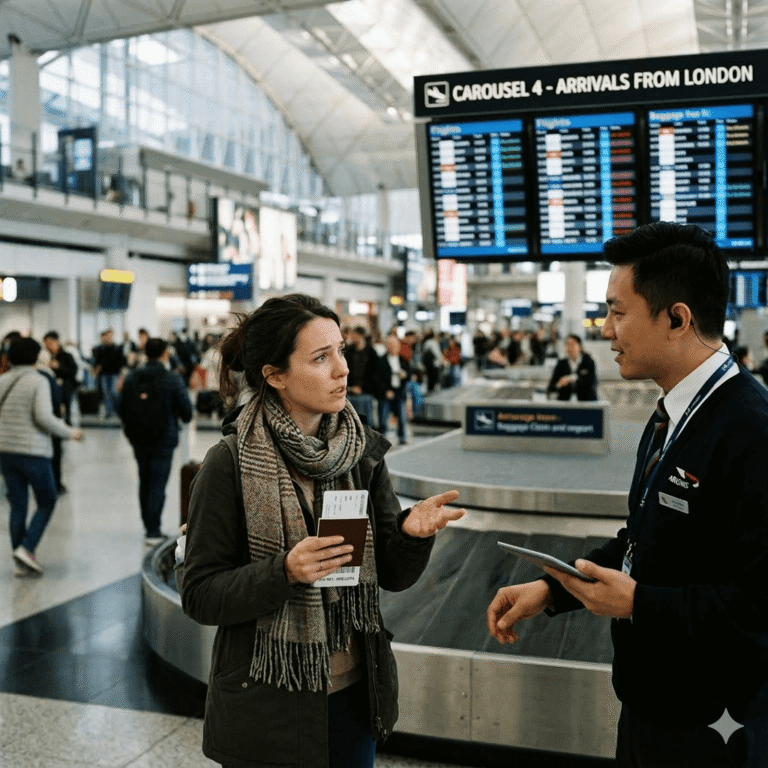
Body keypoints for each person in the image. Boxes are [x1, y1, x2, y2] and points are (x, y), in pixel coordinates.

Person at [487, 221, 768, 767]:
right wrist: (555, 588)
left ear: (677, 319)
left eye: (618, 312)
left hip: (714, 733)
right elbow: (644, 538)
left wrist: (640, 604)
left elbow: (758, 608)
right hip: (651, 714)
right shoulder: (670, 416)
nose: (606, 329)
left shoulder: (750, 433)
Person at [179, 294, 465, 768]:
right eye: (320, 357)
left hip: (354, 695)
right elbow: (200, 593)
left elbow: (390, 574)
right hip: (268, 700)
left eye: (340, 351)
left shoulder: (361, 452)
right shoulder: (229, 464)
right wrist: (285, 571)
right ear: (275, 375)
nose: (342, 370)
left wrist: (412, 535)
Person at [0, 337, 82, 575]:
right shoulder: (39, 381)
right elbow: (44, 417)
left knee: (18, 505)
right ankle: (26, 548)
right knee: (47, 500)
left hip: (5, 452)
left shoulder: (2, 380)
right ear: (35, 357)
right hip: (33, 451)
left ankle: (20, 558)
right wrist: (70, 432)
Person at [119, 337, 192, 544]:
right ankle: (153, 531)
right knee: (158, 484)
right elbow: (187, 411)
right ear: (164, 354)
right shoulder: (171, 378)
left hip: (138, 438)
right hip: (164, 438)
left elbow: (121, 406)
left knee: (144, 480)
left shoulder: (132, 377)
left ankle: (148, 526)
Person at [376, 334, 410, 445]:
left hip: (399, 391)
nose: (394, 347)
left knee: (401, 415)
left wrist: (405, 375)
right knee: (384, 416)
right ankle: (383, 438)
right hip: (387, 392)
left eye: (395, 345)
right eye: (391, 345)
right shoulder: (381, 361)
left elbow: (410, 373)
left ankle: (402, 436)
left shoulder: (402, 360)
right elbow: (377, 378)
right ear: (387, 346)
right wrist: (385, 390)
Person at [343, 326, 379, 428]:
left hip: (366, 392)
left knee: (367, 422)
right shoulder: (348, 352)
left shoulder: (371, 353)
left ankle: (369, 443)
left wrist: (362, 387)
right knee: (350, 422)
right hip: (350, 392)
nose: (352, 337)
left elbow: (374, 374)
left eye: (354, 335)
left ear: (361, 336)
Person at [546, 334, 598, 401]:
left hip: (586, 402)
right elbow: (551, 387)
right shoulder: (561, 364)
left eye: (572, 344)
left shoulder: (588, 362)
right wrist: (559, 384)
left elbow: (591, 383)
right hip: (566, 404)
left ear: (580, 346)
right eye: (567, 345)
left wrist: (571, 378)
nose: (569, 348)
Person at [43, 331, 79, 423]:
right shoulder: (44, 357)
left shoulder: (67, 356)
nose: (48, 346)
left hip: (66, 386)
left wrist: (59, 367)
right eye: (46, 344)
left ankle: (67, 421)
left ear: (57, 342)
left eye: (50, 343)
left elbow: (73, 371)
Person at [92, 328, 126, 418]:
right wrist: (97, 368)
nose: (108, 337)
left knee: (114, 392)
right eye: (107, 336)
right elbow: (98, 361)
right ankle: (109, 411)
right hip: (104, 374)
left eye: (110, 336)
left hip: (114, 373)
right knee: (106, 393)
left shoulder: (117, 348)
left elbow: (121, 361)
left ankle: (117, 410)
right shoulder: (101, 349)